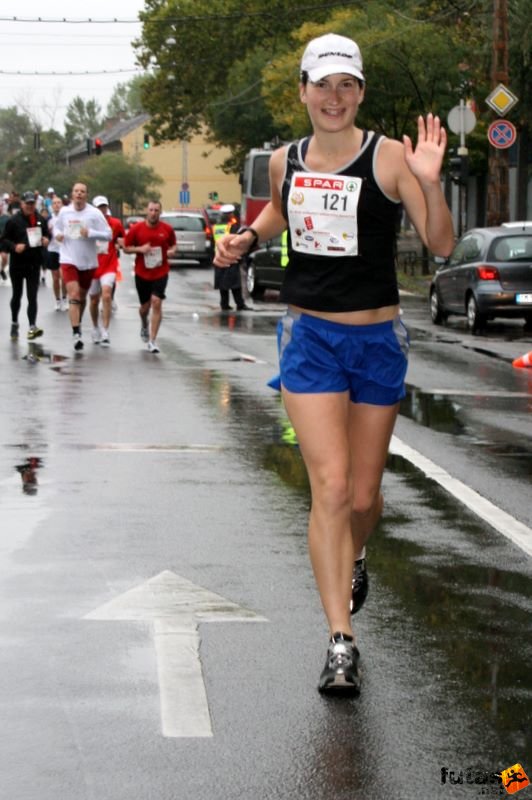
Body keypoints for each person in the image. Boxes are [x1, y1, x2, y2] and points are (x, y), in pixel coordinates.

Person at [214, 33, 454, 694]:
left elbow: (440, 243)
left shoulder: (392, 157)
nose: (334, 97)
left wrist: (431, 186)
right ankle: (340, 640)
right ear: (303, 91)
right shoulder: (284, 161)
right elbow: (278, 217)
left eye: (346, 84)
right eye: (322, 84)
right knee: (332, 486)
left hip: (377, 341)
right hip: (309, 337)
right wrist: (245, 236)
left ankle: (358, 551)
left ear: (360, 93)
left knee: (365, 497)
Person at [53, 182, 112, 351]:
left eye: (82, 192)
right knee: (74, 293)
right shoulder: (64, 212)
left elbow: (109, 234)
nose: (79, 194)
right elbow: (56, 228)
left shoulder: (94, 213)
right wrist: (58, 236)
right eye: (76, 191)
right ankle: (76, 333)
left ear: (86, 195)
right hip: (68, 258)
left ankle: (77, 322)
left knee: (82, 298)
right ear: (72, 195)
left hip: (88, 262)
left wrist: (91, 233)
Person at [123, 200, 177, 354]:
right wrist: (141, 249)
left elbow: (173, 245)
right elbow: (126, 248)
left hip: (161, 271)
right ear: (147, 211)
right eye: (151, 210)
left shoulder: (167, 229)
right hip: (142, 273)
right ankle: (144, 323)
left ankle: (152, 340)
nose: (153, 213)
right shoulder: (137, 229)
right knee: (144, 308)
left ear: (160, 212)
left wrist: (172, 251)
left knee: (157, 302)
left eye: (156, 210)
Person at [1, 190, 49, 340]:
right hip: (18, 264)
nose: (30, 206)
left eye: (32, 203)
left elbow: (47, 234)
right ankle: (15, 322)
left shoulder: (40, 219)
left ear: (35, 203)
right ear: (22, 203)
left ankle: (32, 326)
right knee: (17, 295)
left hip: (34, 263)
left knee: (32, 296)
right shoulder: (13, 221)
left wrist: (46, 239)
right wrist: (14, 247)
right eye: (27, 203)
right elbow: (3, 240)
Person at [88, 196, 125, 347]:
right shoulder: (88, 223)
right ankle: (95, 327)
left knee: (107, 295)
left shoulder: (115, 223)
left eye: (104, 207)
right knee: (94, 300)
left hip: (109, 264)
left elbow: (122, 238)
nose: (102, 210)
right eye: (99, 207)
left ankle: (105, 330)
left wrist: (119, 244)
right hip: (92, 265)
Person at [213, 204, 252, 311]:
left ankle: (224, 304)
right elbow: (237, 240)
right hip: (231, 256)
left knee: (222, 283)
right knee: (235, 283)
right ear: (231, 214)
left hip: (219, 257)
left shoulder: (216, 226)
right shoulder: (232, 226)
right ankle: (240, 304)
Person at [46, 195, 67, 311]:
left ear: (62, 205)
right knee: (55, 278)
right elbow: (43, 233)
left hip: (64, 250)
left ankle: (65, 298)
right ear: (51, 206)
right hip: (52, 250)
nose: (57, 205)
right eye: (54, 203)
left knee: (64, 277)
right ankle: (57, 300)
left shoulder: (66, 218)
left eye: (59, 202)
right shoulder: (48, 219)